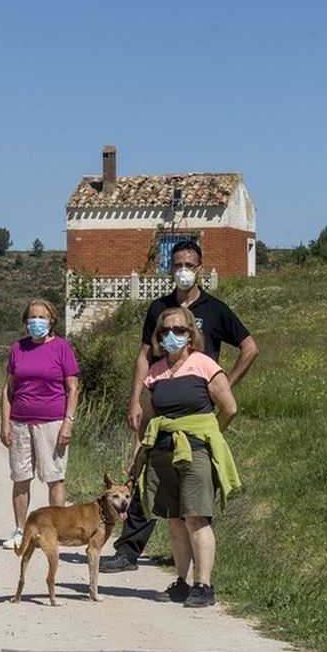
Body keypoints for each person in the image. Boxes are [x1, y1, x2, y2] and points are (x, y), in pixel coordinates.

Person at [101, 239, 258, 572]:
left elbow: (250, 348)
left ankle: (195, 568)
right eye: (177, 265)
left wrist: (223, 386)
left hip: (196, 410)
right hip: (159, 402)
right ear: (169, 268)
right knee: (145, 475)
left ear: (199, 268)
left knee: (192, 492)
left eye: (189, 264)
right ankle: (129, 550)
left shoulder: (216, 309)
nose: (183, 271)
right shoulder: (158, 308)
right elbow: (144, 356)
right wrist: (135, 400)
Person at [127, 307, 239, 608]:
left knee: (197, 517)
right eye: (164, 332)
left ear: (191, 335)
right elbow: (149, 419)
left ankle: (204, 585)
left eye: (178, 330)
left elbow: (229, 407)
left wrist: (209, 434)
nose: (171, 336)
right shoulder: (155, 371)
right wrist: (137, 455)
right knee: (175, 520)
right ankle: (182, 582)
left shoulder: (204, 365)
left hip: (195, 451)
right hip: (163, 451)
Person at [0, 298, 80, 549]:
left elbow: (73, 387)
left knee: (54, 477)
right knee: (20, 477)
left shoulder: (61, 348)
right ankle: (21, 531)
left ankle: (57, 531)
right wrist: (5, 423)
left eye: (42, 317)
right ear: (25, 321)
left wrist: (68, 422)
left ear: (51, 320)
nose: (37, 322)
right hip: (21, 422)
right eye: (32, 317)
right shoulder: (18, 349)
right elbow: (8, 389)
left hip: (52, 422)